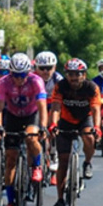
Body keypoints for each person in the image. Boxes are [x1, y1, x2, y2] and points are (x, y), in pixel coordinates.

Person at [0, 53, 47, 206]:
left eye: (22, 75)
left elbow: (42, 107)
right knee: (10, 159)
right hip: (13, 116)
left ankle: (36, 166)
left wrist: (43, 127)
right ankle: (10, 202)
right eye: (15, 75)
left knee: (31, 137)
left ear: (28, 72)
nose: (18, 79)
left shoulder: (36, 81)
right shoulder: (3, 82)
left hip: (32, 115)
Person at [47, 58, 101, 206]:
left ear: (84, 75)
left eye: (77, 74)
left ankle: (88, 162)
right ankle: (60, 198)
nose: (74, 78)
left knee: (89, 137)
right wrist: (53, 124)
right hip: (65, 120)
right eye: (70, 74)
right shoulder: (61, 86)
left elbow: (96, 109)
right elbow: (56, 107)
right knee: (63, 160)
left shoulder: (92, 88)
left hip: (85, 119)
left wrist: (96, 127)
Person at [34, 51, 64, 183]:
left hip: (53, 106)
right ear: (36, 68)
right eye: (42, 68)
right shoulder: (32, 78)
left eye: (49, 68)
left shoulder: (59, 80)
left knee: (53, 127)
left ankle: (53, 156)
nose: (46, 71)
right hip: (36, 106)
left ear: (55, 68)